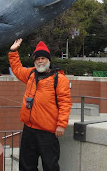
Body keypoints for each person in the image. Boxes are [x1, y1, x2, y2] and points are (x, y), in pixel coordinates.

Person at [9, 39, 72, 171]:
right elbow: (17, 69)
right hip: (29, 129)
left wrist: (61, 124)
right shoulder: (31, 74)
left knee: (50, 166)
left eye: (43, 58)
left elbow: (65, 103)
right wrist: (13, 51)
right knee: (26, 166)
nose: (40, 61)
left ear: (48, 60)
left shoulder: (59, 79)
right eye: (37, 59)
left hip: (47, 132)